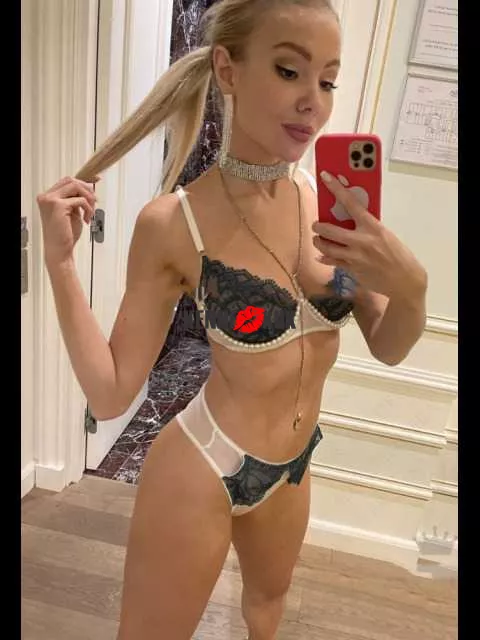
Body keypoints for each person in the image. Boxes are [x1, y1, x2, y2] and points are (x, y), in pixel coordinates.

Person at [36, 1, 428, 638]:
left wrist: (411, 287)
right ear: (228, 69)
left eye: (328, 80)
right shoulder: (174, 223)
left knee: (266, 613)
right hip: (202, 465)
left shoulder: (328, 203)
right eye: (289, 71)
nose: (313, 101)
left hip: (293, 464)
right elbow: (109, 395)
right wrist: (59, 264)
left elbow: (389, 344)